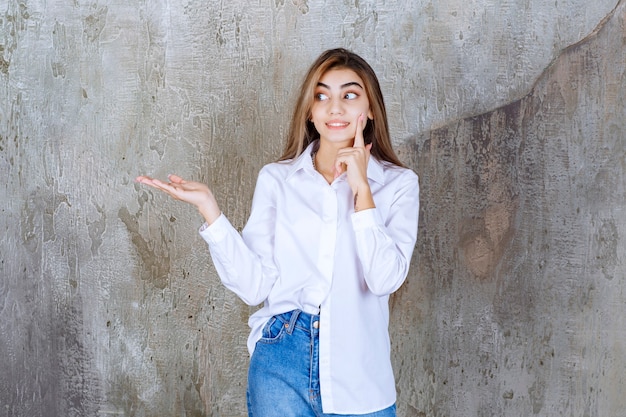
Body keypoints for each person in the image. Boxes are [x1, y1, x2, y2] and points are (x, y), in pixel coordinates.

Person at [136, 48, 419, 417]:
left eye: (349, 95)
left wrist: (362, 190)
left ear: (369, 110)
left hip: (360, 376)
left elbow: (385, 279)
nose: (335, 108)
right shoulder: (277, 180)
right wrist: (211, 211)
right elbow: (256, 286)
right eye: (322, 96)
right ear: (310, 112)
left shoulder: (398, 185)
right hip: (281, 361)